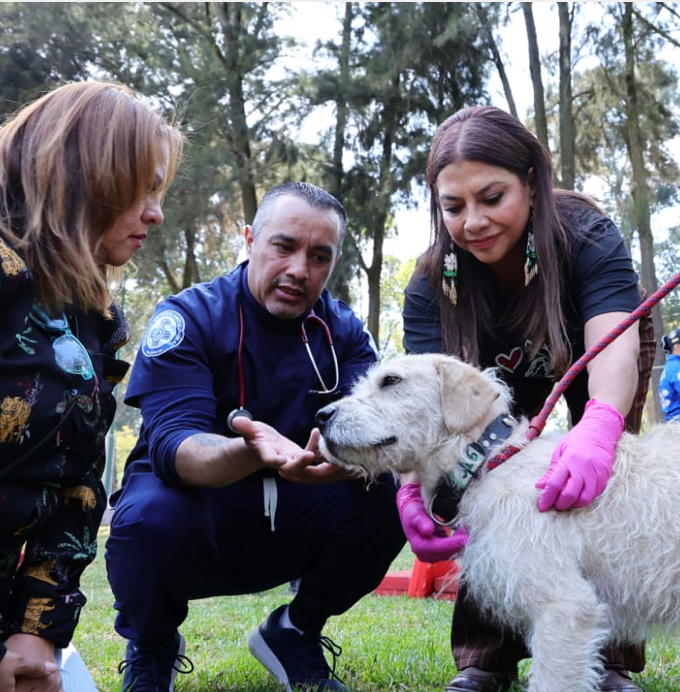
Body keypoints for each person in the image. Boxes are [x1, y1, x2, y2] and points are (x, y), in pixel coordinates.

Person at [104, 182, 405, 692]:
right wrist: (250, 451)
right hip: (199, 514)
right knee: (146, 517)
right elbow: (174, 449)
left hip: (295, 511)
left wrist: (347, 463)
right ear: (250, 240)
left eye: (319, 257)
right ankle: (153, 645)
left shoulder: (345, 332)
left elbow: (380, 434)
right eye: (283, 247)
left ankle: (294, 631)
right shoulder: (189, 316)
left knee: (394, 490)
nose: (299, 270)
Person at [402, 106, 656, 692]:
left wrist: (601, 425)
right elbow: (427, 409)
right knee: (482, 483)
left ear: (532, 183)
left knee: (605, 483)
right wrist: (412, 489)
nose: (473, 222)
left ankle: (609, 659)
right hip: (489, 388)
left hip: (600, 354)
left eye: (493, 197)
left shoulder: (587, 234)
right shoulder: (432, 283)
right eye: (453, 206)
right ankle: (484, 657)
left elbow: (613, 348)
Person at [0, 81, 182, 692]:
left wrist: (35, 632)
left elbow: (78, 485)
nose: (156, 213)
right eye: (143, 188)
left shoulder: (93, 317)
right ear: (85, 174)